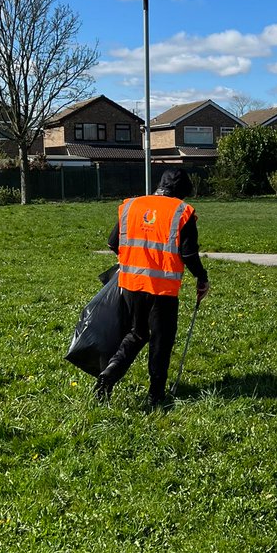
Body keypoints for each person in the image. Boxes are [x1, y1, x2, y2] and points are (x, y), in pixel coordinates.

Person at [95, 168, 209, 407]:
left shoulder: (131, 206)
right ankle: (155, 394)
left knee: (136, 333)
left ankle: (109, 374)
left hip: (130, 285)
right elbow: (188, 254)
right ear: (182, 192)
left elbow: (113, 243)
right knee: (161, 340)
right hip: (162, 289)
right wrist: (202, 278)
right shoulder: (182, 212)